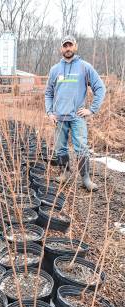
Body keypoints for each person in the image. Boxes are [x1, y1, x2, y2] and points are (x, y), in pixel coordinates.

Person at [45, 35, 106, 191]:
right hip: (59, 117)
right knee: (60, 147)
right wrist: (50, 112)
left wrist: (91, 109)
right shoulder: (54, 70)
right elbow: (49, 93)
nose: (68, 48)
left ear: (75, 47)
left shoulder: (85, 67)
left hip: (78, 117)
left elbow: (100, 88)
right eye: (65, 46)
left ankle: (85, 179)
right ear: (61, 49)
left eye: (70, 45)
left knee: (81, 148)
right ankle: (64, 174)